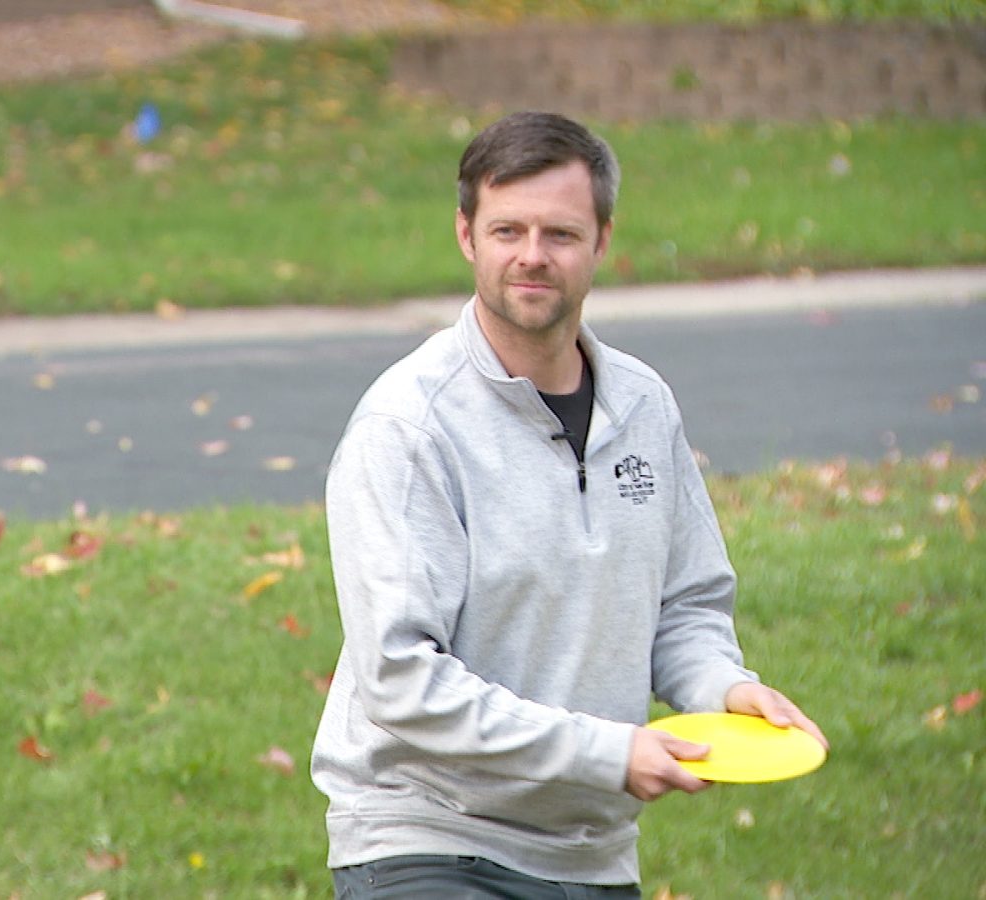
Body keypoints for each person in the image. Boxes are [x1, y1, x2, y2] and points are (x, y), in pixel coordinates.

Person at [310, 111, 827, 898]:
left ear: (602, 242)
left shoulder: (643, 407)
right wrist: (607, 752)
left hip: (591, 856)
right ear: (465, 235)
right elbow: (401, 681)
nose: (531, 256)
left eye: (559, 233)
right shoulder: (408, 427)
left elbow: (683, 607)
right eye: (507, 230)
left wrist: (722, 689)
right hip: (427, 840)